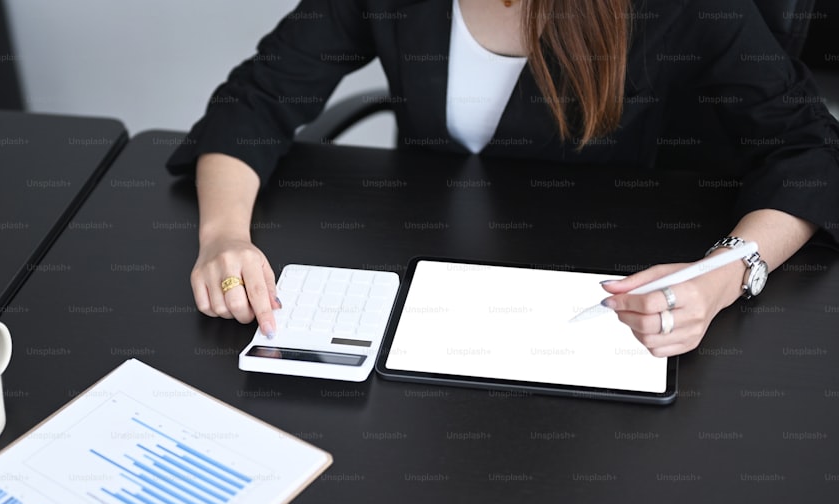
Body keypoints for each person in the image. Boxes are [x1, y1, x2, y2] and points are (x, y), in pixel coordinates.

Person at [167, 0, 839, 358]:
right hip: (432, 287)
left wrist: (726, 273)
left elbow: (812, 149)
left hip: (613, 306)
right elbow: (257, 98)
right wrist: (223, 235)